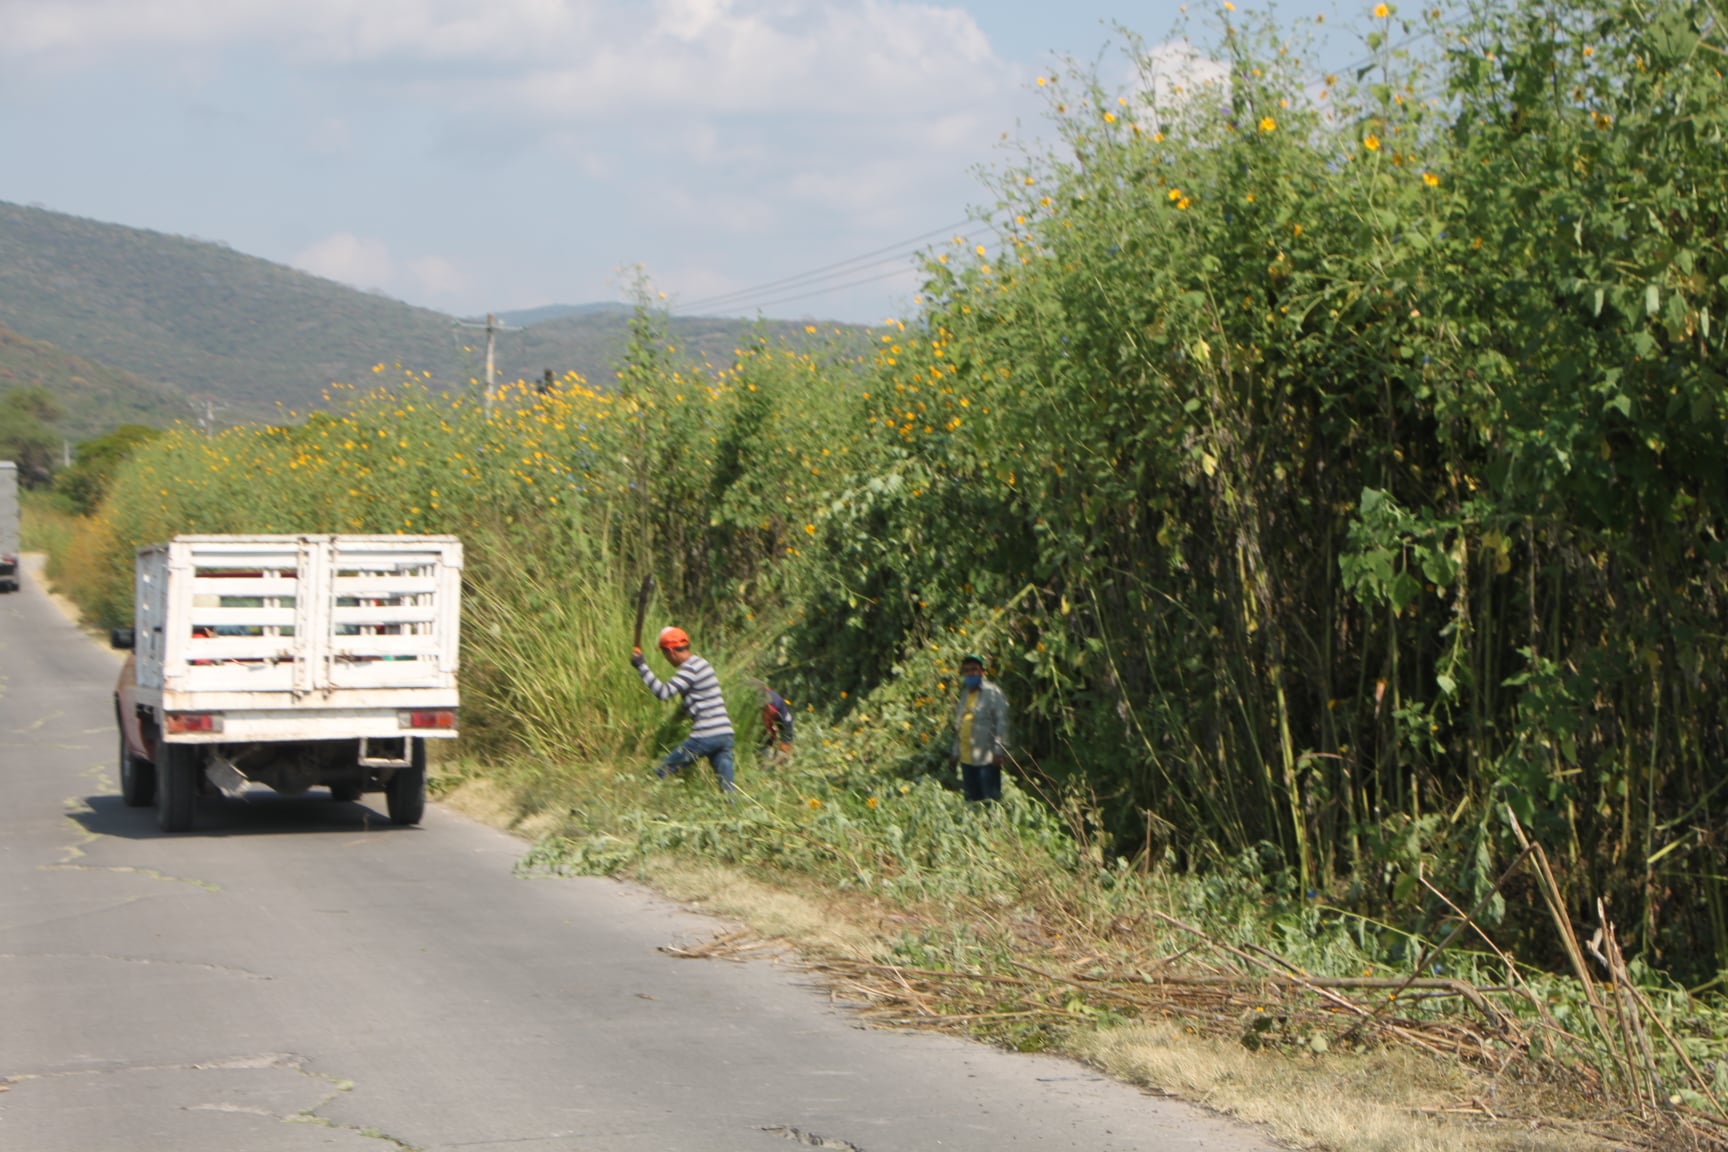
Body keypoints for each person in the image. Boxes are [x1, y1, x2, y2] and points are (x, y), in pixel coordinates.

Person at [632, 626, 736, 791]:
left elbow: (663, 693)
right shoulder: (703, 664)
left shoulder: (690, 668)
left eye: (664, 654)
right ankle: (734, 813)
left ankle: (644, 801)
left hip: (705, 736)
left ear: (671, 652)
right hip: (725, 734)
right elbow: (692, 702)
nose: (666, 659)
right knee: (728, 789)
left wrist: (642, 666)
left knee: (661, 771)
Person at [950, 654, 1009, 801]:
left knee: (990, 801)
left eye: (974, 670)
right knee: (972, 801)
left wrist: (999, 751)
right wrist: (954, 753)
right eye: (967, 670)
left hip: (987, 759)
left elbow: (1002, 722)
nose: (970, 674)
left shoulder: (993, 693)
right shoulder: (964, 695)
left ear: (982, 672)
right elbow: (960, 726)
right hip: (967, 759)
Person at [760, 684, 795, 764]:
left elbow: (786, 734)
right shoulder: (764, 697)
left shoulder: (782, 715)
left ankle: (781, 760)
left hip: (781, 718)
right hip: (773, 713)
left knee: (783, 747)